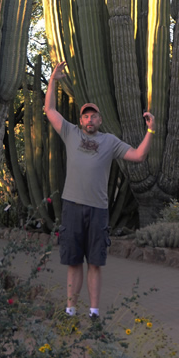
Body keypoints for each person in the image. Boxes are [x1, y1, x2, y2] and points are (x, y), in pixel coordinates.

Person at [44, 60, 155, 319]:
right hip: (72, 206)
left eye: (93, 115)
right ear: (80, 120)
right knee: (73, 261)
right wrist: (53, 80)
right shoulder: (70, 133)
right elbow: (49, 109)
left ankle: (94, 313)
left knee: (94, 262)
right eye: (85, 115)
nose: (89, 119)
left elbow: (138, 155)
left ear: (100, 119)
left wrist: (151, 129)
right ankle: (70, 311)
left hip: (98, 210)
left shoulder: (109, 141)